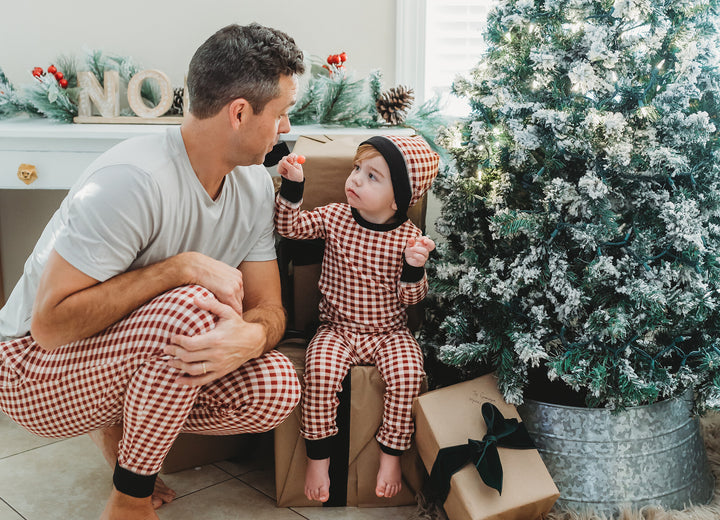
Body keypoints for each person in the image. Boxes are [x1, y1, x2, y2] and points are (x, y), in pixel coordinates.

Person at [0, 23, 305, 520]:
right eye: (282, 113)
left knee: (276, 387)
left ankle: (124, 429)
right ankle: (129, 499)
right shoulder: (131, 180)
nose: (286, 128)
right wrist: (176, 269)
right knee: (189, 304)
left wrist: (252, 336)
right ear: (240, 113)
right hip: (28, 372)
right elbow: (49, 326)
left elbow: (268, 306)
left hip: (121, 358)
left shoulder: (253, 188)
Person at [274, 135, 439, 502]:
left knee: (409, 373)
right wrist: (293, 185)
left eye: (372, 176)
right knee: (319, 371)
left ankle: (390, 456)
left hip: (389, 332)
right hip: (338, 328)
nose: (356, 180)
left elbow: (411, 299)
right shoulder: (335, 216)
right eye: (356, 169)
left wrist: (414, 269)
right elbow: (290, 227)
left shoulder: (408, 237)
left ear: (399, 198)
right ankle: (319, 457)